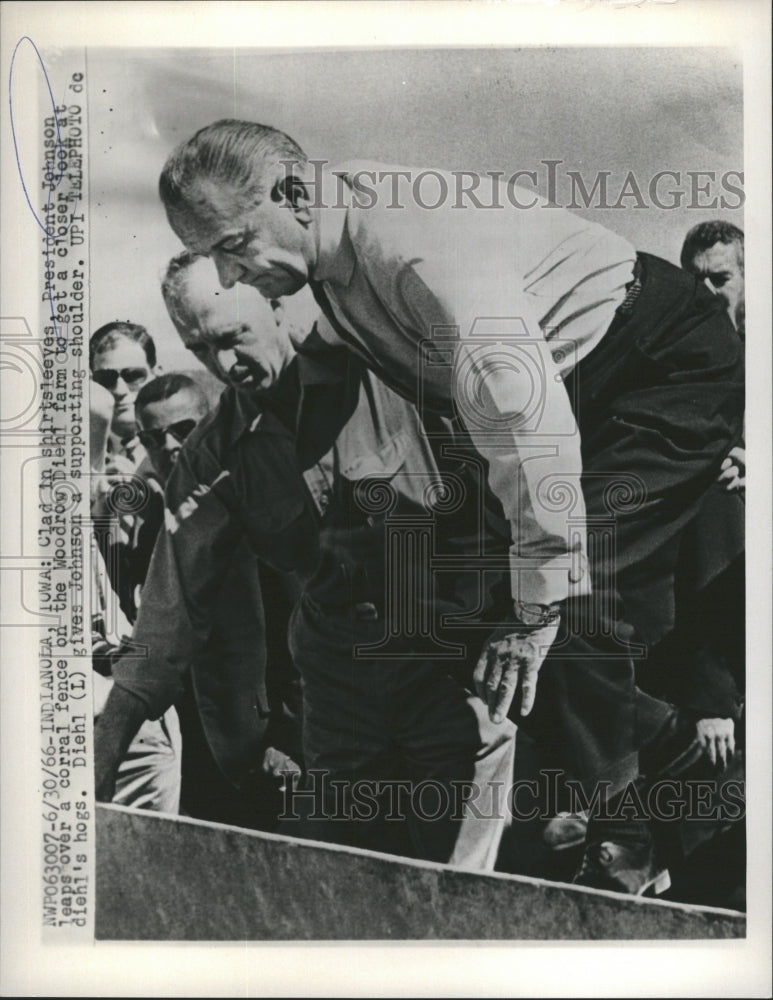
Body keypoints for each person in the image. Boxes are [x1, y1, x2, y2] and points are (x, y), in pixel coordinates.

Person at [156, 120, 745, 893]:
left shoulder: (419, 251)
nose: (232, 275)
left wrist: (533, 613)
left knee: (544, 603)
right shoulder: (325, 252)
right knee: (492, 614)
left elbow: (521, 420)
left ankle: (683, 827)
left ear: (295, 194)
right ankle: (669, 786)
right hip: (582, 387)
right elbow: (331, 353)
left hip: (659, 370)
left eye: (233, 245)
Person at [95, 253, 515, 869]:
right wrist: (103, 754)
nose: (225, 366)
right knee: (333, 879)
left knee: (458, 891)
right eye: (200, 347)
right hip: (339, 682)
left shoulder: (389, 370)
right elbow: (170, 610)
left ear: (276, 304)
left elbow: (514, 490)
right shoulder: (215, 455)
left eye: (232, 337)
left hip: (449, 663)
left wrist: (514, 621)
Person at [131, 371, 303, 830]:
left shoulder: (264, 510)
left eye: (183, 430)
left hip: (269, 751)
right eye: (153, 438)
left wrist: (291, 739)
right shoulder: (148, 528)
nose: (168, 447)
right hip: (193, 757)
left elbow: (308, 631)